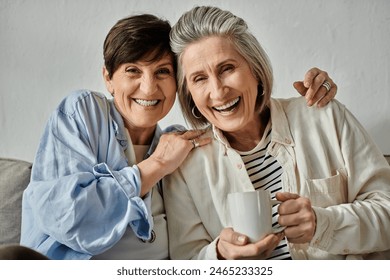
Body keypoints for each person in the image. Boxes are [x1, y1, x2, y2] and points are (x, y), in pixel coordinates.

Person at [19, 13, 337, 260]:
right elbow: (64, 215)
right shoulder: (84, 113)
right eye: (133, 71)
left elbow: (234, 111)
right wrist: (155, 166)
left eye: (162, 72)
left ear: (179, 82)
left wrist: (309, 102)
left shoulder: (181, 143)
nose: (149, 87)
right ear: (108, 78)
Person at [163, 5, 390, 260]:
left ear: (255, 70)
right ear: (189, 94)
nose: (217, 92)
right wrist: (218, 256)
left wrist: (323, 223)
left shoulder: (324, 116)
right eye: (199, 79)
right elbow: (185, 263)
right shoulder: (184, 167)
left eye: (227, 68)